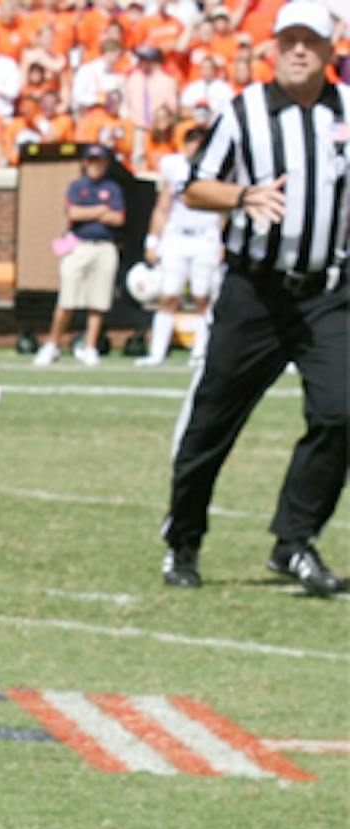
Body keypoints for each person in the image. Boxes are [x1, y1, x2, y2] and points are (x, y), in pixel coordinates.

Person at [160, 0, 348, 596]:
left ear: (328, 48)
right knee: (213, 420)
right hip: (255, 295)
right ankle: (183, 540)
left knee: (343, 412)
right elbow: (195, 188)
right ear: (273, 48)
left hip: (329, 292)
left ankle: (294, 541)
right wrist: (243, 197)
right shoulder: (242, 113)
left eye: (310, 41)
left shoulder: (347, 113)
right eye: (288, 39)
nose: (299, 50)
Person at [135, 126, 221, 366]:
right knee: (168, 295)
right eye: (192, 141)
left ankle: (200, 352)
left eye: (200, 141)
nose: (196, 146)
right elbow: (163, 206)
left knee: (202, 296)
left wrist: (221, 240)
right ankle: (157, 352)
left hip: (206, 236)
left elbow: (223, 210)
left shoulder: (217, 168)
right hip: (177, 236)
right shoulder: (174, 166)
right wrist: (153, 240)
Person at [36, 144, 124, 366]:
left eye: (100, 161)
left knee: (98, 300)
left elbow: (118, 218)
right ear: (85, 163)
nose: (95, 165)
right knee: (67, 299)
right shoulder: (77, 186)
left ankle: (90, 346)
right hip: (79, 245)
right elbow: (74, 212)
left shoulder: (112, 188)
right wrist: (101, 211)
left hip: (104, 245)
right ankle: (53, 343)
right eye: (91, 161)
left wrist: (94, 213)